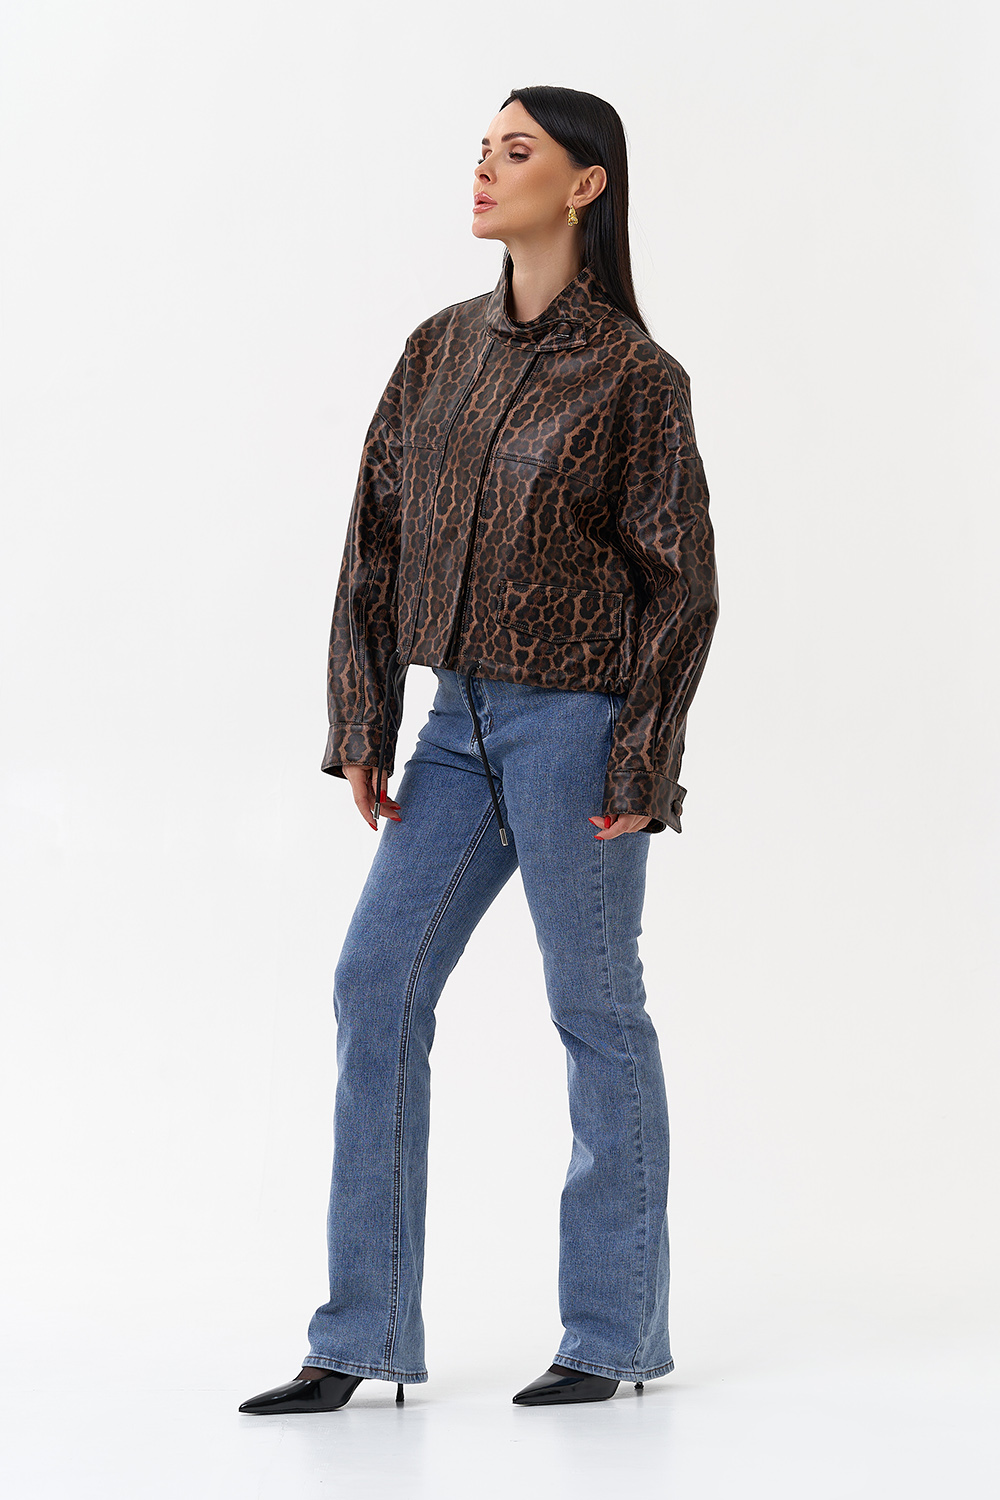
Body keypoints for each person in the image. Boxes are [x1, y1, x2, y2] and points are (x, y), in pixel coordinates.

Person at [239, 83, 719, 1416]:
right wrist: (363, 718)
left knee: (594, 1010)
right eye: (483, 149)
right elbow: (374, 543)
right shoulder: (437, 351)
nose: (485, 170)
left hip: (578, 728)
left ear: (586, 185)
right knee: (373, 982)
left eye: (518, 151)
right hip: (453, 729)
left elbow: (680, 587)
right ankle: (360, 1336)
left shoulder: (634, 377)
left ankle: (612, 1335)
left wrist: (642, 763)